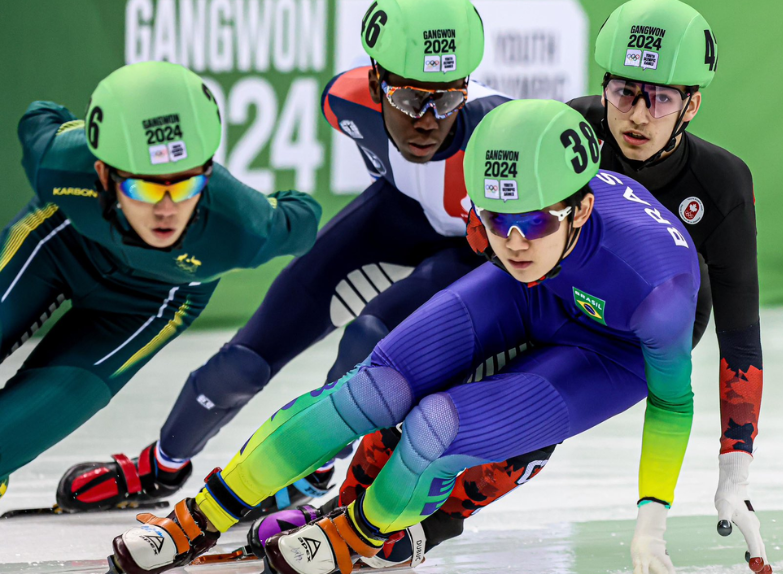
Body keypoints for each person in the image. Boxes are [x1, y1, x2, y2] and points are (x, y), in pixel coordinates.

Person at [106, 99, 704, 574]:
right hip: (539, 291)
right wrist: (528, 238)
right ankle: (197, 518)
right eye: (497, 220)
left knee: (435, 426)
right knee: (371, 389)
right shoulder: (528, 231)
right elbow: (521, 242)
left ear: (582, 208)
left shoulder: (660, 290)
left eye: (535, 223)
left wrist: (651, 520)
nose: (515, 241)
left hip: (610, 349)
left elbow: (675, 405)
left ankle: (357, 535)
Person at [329, 0, 772, 574]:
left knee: (522, 428)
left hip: (631, 333)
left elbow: (740, 339)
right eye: (623, 91)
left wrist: (734, 471)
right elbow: (494, 225)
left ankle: (428, 527)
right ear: (604, 86)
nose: (637, 116)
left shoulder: (721, 182)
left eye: (660, 98)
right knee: (426, 380)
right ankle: (342, 508)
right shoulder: (572, 128)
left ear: (692, 104)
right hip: (547, 290)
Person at [57, 0, 510, 514]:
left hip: (470, 251)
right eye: (408, 98)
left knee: (366, 341)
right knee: (242, 362)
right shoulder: (345, 103)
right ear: (377, 81)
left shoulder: (501, 136)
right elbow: (413, 177)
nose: (428, 121)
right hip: (400, 212)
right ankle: (161, 465)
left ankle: (310, 471)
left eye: (448, 100)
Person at [0, 61, 321, 504]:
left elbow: (304, 213)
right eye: (145, 189)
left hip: (148, 304)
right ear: (103, 174)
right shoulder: (60, 164)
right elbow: (41, 114)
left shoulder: (242, 228)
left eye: (186, 184)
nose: (167, 209)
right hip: (58, 244)